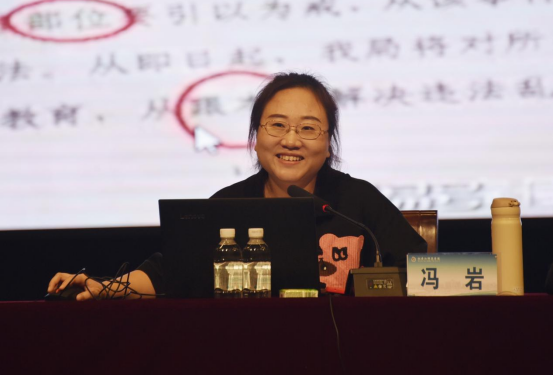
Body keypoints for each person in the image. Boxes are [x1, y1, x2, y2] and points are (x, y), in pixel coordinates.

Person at [48, 72, 426, 299]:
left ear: (328, 145)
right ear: (256, 139)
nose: (291, 140)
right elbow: (170, 271)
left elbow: (418, 267)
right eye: (277, 125)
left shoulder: (357, 202)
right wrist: (103, 286)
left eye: (308, 128)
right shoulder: (229, 206)